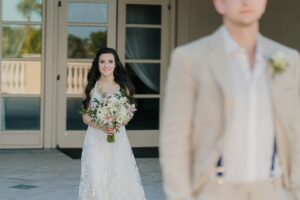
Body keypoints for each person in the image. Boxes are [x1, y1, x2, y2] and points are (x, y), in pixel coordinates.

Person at [160, 0, 300, 200]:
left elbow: (295, 133)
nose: (246, 2)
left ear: (264, 3)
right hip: (214, 192)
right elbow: (174, 140)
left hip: (274, 191)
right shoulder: (189, 58)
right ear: (219, 4)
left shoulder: (288, 58)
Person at [78, 47, 146, 200]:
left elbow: (128, 114)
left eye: (110, 61)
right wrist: (103, 126)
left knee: (117, 178)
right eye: (102, 62)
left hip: (117, 139)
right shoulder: (91, 87)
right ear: (97, 64)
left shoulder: (123, 88)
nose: (106, 65)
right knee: (96, 178)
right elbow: (85, 117)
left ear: (116, 65)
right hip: (95, 139)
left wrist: (117, 123)